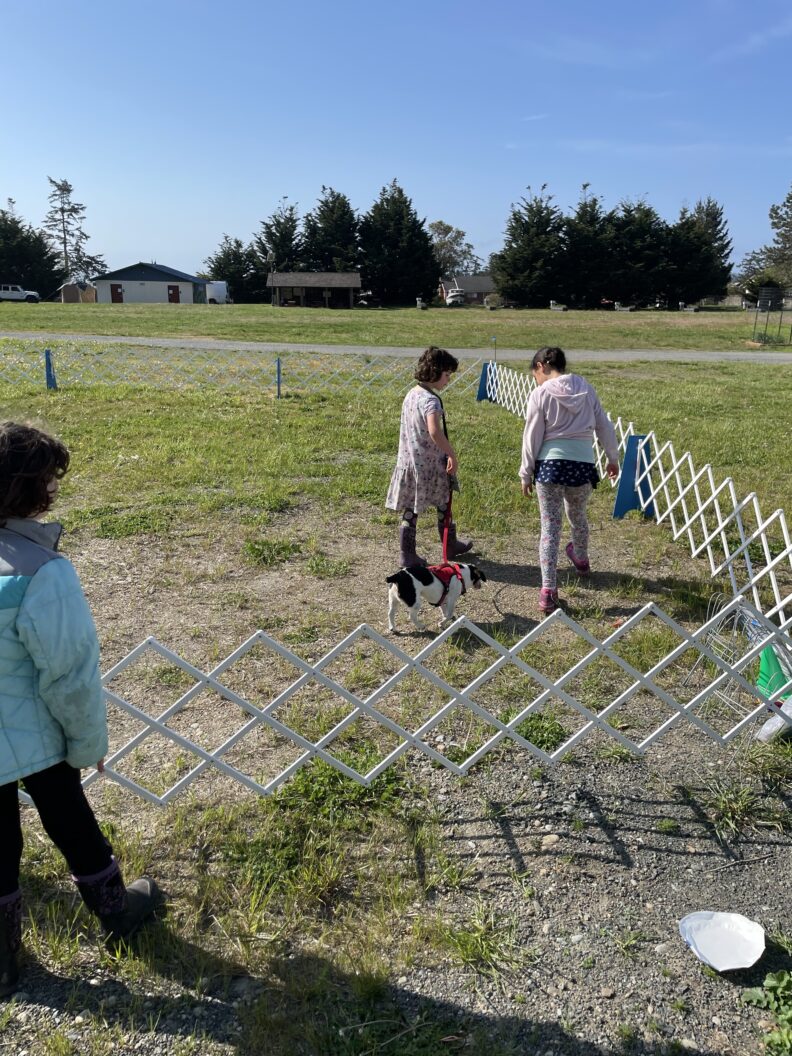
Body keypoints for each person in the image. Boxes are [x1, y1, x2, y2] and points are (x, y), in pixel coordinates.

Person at [0, 422, 161, 1000]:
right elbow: (69, 676)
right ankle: (115, 911)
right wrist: (88, 743)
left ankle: (2, 961)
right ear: (32, 490)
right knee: (67, 814)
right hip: (33, 732)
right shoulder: (41, 571)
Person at [519, 347, 619, 615]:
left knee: (550, 527)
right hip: (582, 465)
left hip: (550, 467)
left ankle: (548, 590)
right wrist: (612, 457)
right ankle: (582, 559)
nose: (535, 379)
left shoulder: (540, 394)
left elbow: (532, 436)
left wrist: (525, 472)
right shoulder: (586, 389)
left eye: (535, 374)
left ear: (541, 366)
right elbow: (604, 425)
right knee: (578, 516)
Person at [386, 346, 473, 566]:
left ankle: (408, 553)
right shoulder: (430, 401)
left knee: (411, 508)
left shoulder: (411, 394)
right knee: (444, 502)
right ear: (434, 372)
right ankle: (448, 544)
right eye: (446, 375)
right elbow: (434, 430)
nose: (448, 380)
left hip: (410, 461)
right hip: (430, 464)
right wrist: (451, 453)